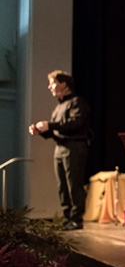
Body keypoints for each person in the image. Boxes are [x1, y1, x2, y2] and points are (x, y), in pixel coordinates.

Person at [28, 70, 91, 231]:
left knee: (73, 184)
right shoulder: (59, 107)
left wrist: (51, 125)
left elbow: (75, 124)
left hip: (74, 146)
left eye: (53, 83)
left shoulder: (77, 102)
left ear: (64, 84)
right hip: (60, 147)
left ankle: (76, 219)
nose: (50, 87)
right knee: (62, 186)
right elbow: (57, 131)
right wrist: (41, 131)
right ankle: (67, 218)